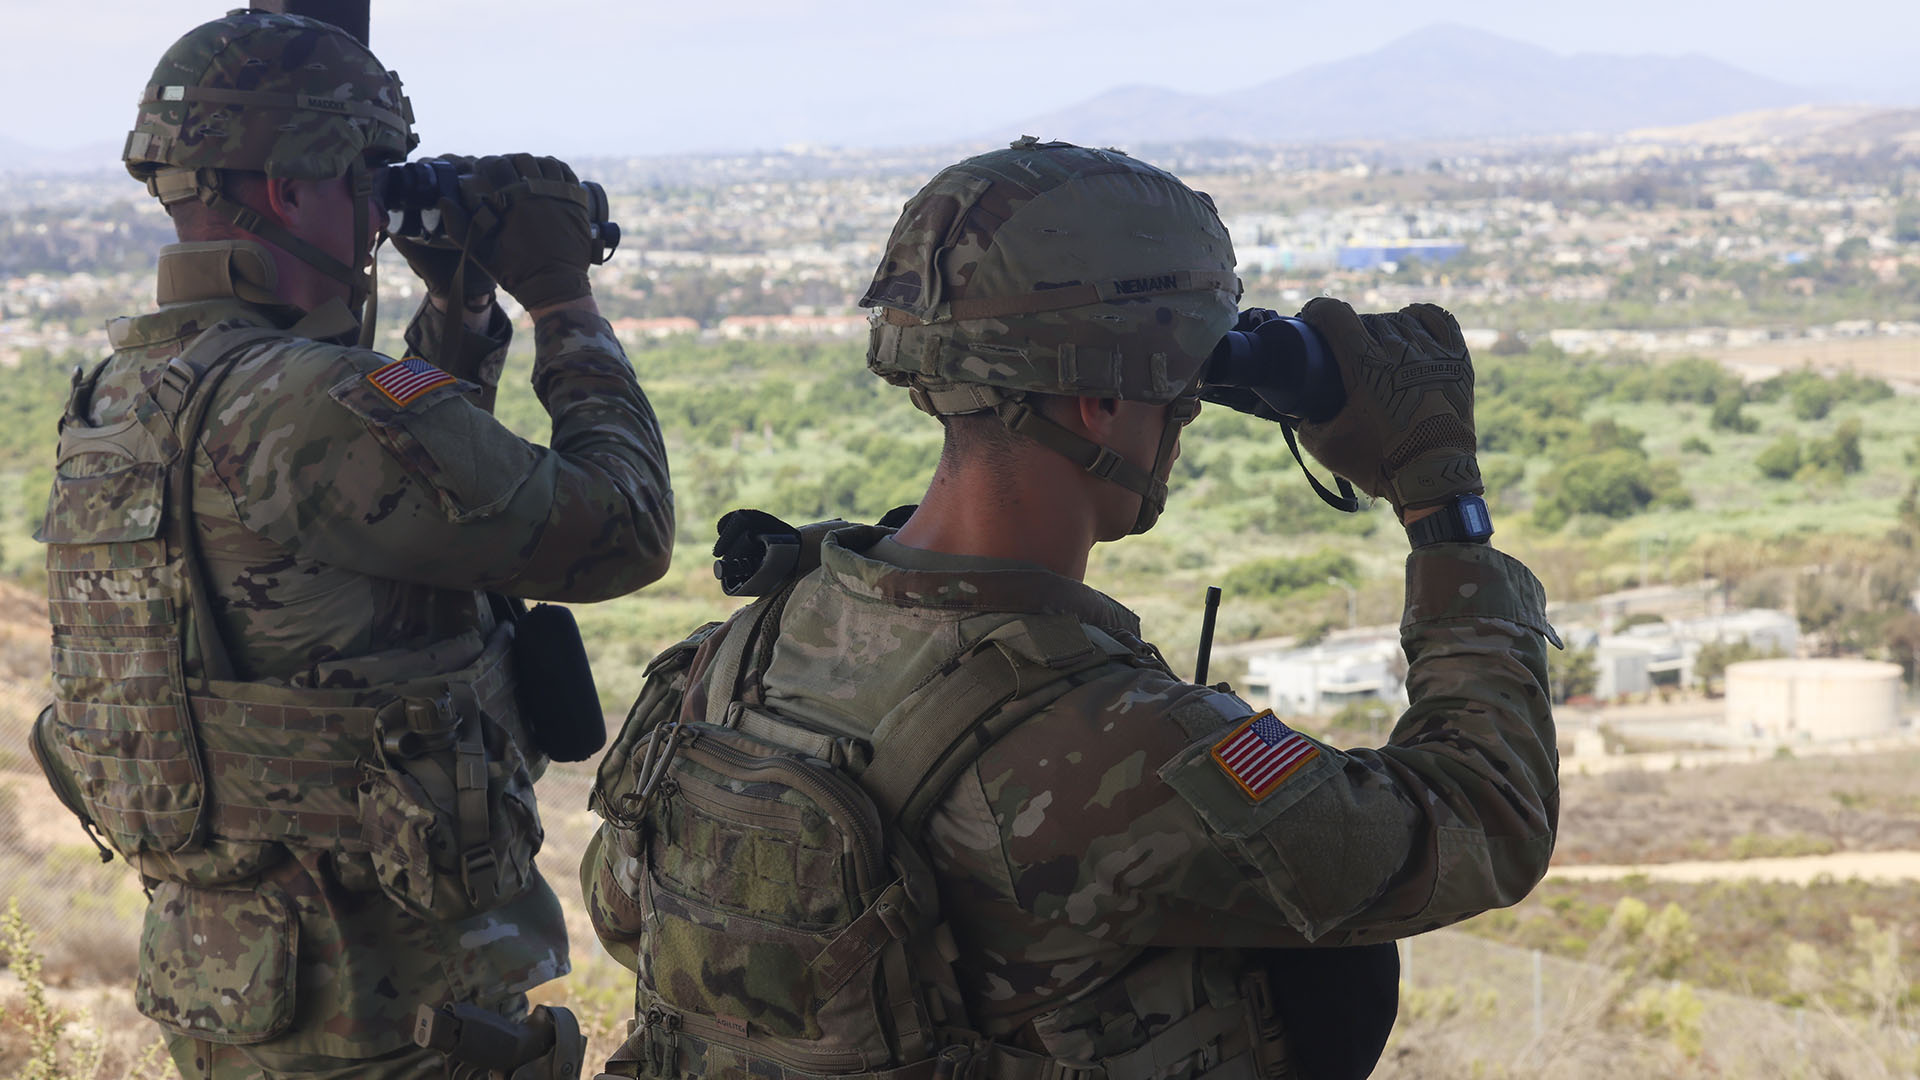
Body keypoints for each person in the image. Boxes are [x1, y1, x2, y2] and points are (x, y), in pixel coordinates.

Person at [582, 139, 1559, 1080]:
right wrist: (1441, 503)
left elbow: (626, 915)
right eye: (1181, 392)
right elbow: (1486, 818)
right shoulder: (1116, 753)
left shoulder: (731, 660)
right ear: (1100, 402)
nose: (1181, 424)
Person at [29, 10, 673, 1078]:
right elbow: (623, 528)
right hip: (393, 1015)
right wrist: (564, 300)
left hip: (238, 995)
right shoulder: (312, 401)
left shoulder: (126, 392)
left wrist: (456, 302)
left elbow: (399, 503)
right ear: (290, 187)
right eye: (370, 178)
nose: (380, 211)